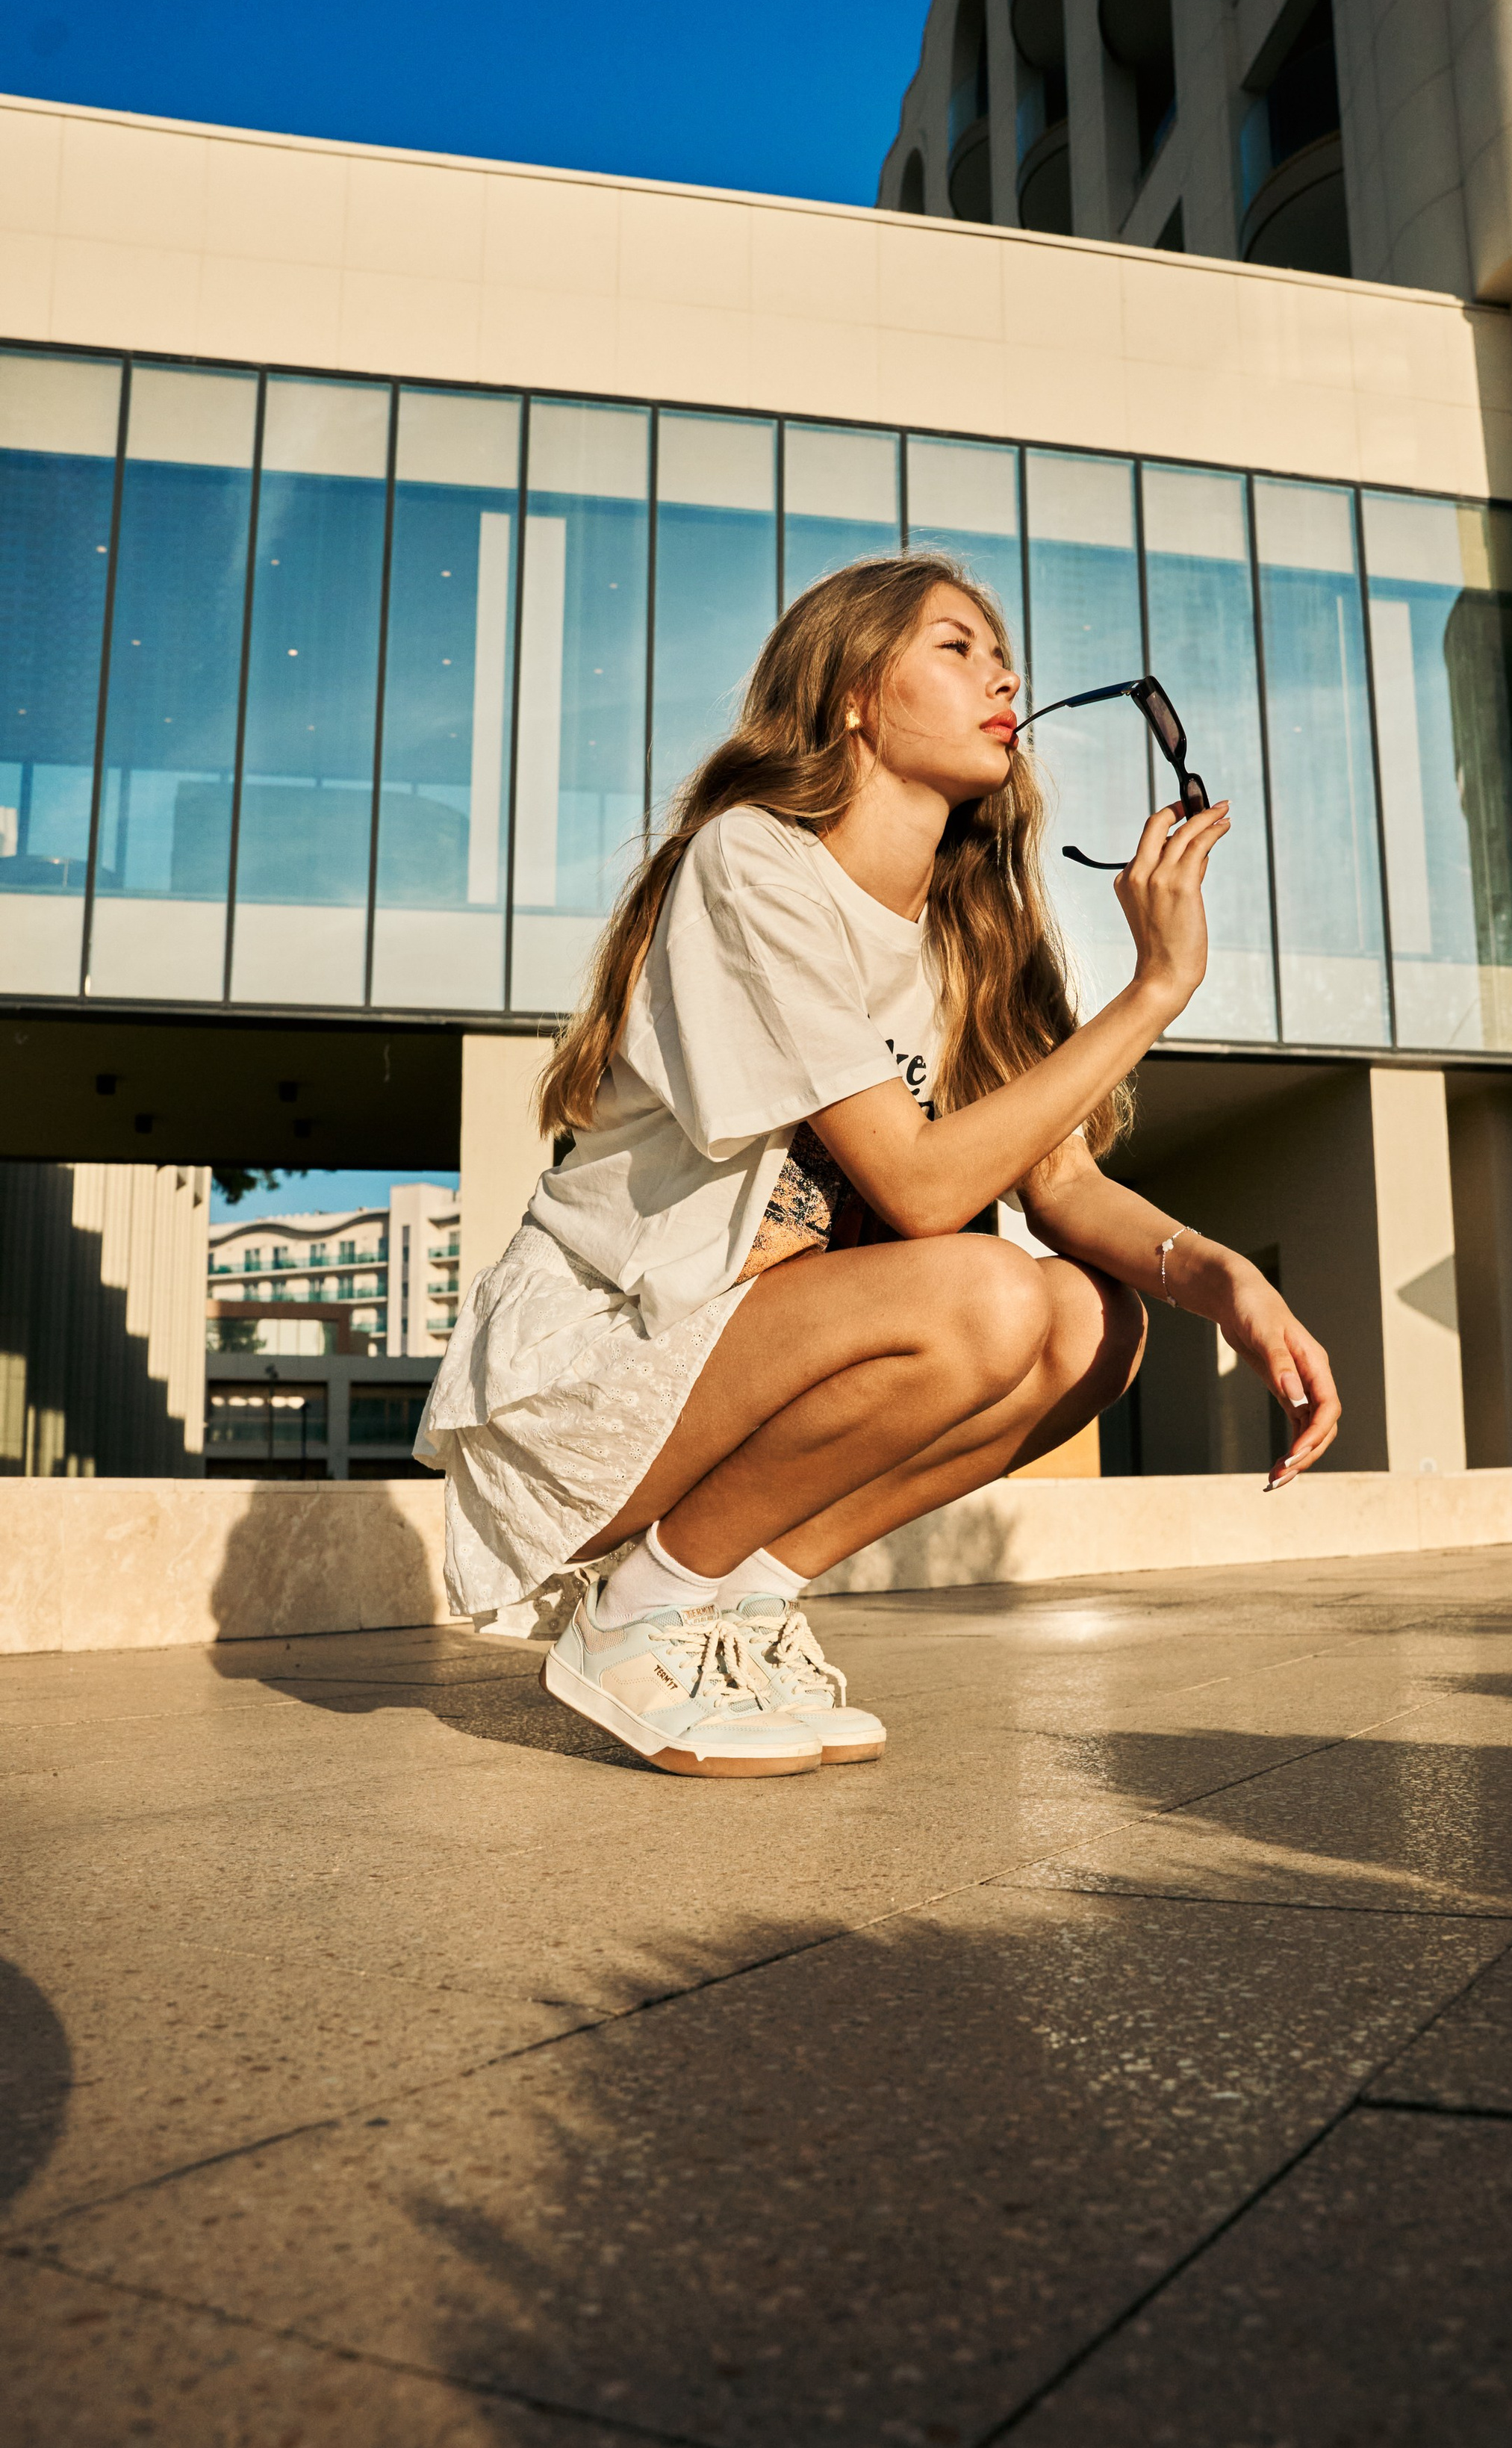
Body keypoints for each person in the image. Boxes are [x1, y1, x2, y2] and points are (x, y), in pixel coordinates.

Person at [416, 553, 1340, 1779]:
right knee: (989, 1291)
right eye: (956, 647)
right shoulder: (753, 860)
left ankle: (738, 1597)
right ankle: (639, 1612)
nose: (1003, 677)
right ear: (853, 692)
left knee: (1093, 1325)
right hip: (604, 1374)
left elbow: (1061, 1188)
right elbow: (918, 1188)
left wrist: (1226, 1280)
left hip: (759, 1365)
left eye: (1003, 657)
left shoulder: (974, 937)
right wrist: (1155, 989)